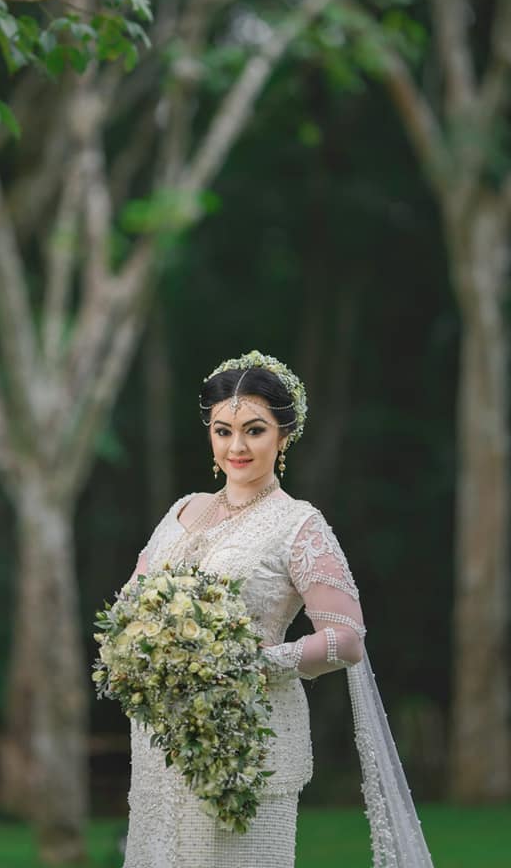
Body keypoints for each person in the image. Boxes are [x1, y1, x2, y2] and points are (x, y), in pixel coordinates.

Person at [119, 350, 434, 868]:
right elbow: (130, 607)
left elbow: (346, 638)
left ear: (284, 435)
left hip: (248, 745)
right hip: (161, 748)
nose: (236, 447)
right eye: (223, 431)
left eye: (255, 430)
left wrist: (250, 663)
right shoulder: (181, 511)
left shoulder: (299, 525)